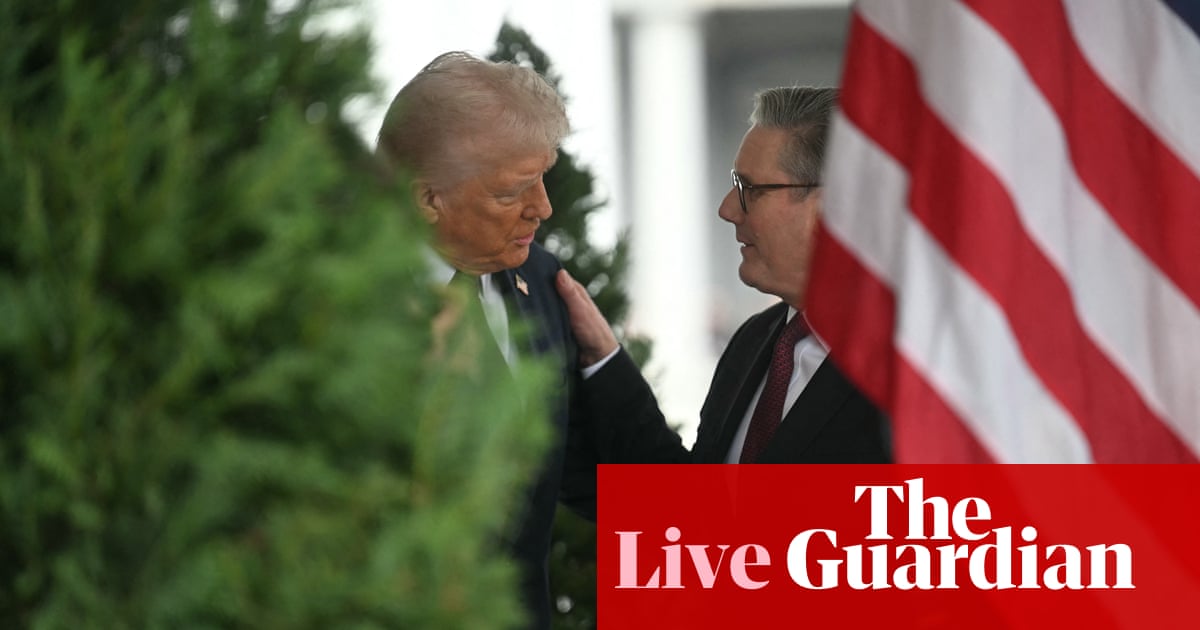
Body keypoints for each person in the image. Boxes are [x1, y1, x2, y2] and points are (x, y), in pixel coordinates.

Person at [375, 51, 598, 630]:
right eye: (512, 192)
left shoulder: (544, 281)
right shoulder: (330, 305)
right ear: (427, 199)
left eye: (543, 179)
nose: (544, 208)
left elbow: (592, 471)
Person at [557, 86, 892, 464]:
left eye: (750, 189)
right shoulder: (753, 340)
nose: (727, 208)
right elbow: (702, 510)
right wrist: (604, 361)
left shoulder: (921, 377)